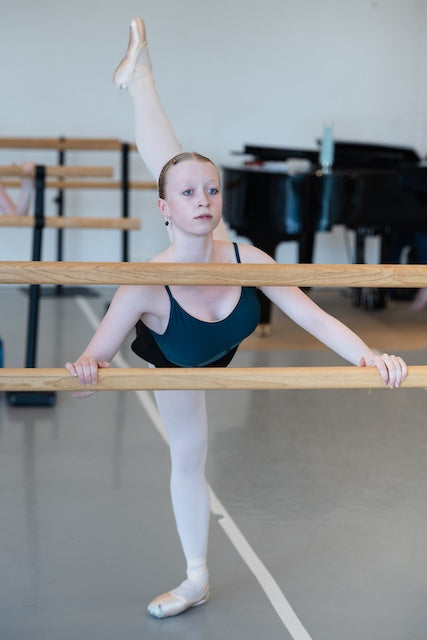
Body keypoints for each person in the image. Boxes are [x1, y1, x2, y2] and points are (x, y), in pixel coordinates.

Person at [65, 18, 408, 619]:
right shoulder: (143, 285)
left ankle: (141, 80)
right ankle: (195, 578)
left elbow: (313, 317)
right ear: (161, 209)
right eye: (189, 197)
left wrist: (369, 356)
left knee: (184, 172)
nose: (205, 201)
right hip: (177, 356)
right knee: (189, 456)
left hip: (215, 284)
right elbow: (92, 362)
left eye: (213, 192)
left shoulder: (250, 258)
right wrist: (87, 371)